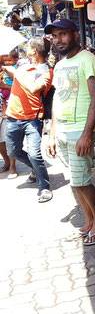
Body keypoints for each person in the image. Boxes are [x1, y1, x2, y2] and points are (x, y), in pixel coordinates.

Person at [45, 19, 95, 245]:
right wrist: (52, 134)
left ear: (74, 35)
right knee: (75, 180)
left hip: (79, 129)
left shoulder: (89, 61)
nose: (58, 40)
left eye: (63, 34)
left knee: (82, 180)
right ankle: (89, 221)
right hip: (63, 130)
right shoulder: (60, 65)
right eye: (55, 36)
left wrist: (86, 134)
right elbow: (57, 100)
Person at [3, 38, 52, 202]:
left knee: (34, 153)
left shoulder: (47, 72)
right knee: (13, 152)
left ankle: (44, 187)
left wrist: (17, 74)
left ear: (35, 51)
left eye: (29, 47)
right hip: (13, 117)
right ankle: (35, 168)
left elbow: (34, 88)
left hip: (33, 119)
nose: (26, 50)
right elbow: (13, 80)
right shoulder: (22, 66)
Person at [0, 52, 18, 178]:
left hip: (9, 107)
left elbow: (19, 87)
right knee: (1, 141)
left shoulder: (14, 71)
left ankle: (13, 166)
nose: (6, 64)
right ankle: (6, 162)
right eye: (3, 62)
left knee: (8, 138)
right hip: (2, 106)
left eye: (8, 61)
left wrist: (4, 85)